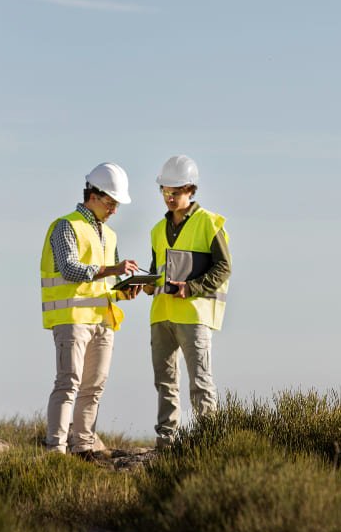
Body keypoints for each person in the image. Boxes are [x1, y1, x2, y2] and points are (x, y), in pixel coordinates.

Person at [40, 162, 140, 457]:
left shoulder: (110, 236)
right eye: (112, 203)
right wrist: (112, 269)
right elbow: (70, 269)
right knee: (68, 384)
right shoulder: (65, 226)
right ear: (94, 196)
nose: (115, 210)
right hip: (72, 319)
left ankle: (84, 447)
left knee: (94, 387)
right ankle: (55, 449)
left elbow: (108, 281)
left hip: (102, 321)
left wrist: (126, 291)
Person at [146, 154, 231, 446]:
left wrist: (192, 287)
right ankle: (166, 441)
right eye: (165, 191)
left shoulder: (209, 223)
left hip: (194, 316)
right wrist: (145, 284)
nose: (169, 197)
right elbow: (159, 271)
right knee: (165, 382)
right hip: (161, 316)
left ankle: (209, 442)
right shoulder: (158, 230)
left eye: (176, 191)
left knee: (200, 381)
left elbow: (224, 267)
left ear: (191, 190)